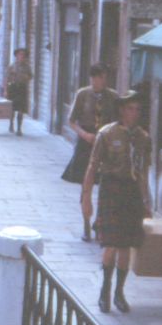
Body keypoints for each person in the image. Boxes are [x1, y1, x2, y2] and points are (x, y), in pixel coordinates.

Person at [82, 91, 152, 314]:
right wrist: (86, 198)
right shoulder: (107, 133)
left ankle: (119, 292)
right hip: (111, 189)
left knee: (126, 245)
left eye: (138, 109)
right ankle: (105, 289)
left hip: (131, 192)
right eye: (131, 108)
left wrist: (145, 200)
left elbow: (143, 171)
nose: (135, 113)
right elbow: (93, 166)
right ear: (122, 110)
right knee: (111, 242)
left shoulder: (143, 137)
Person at [62, 63, 119, 241]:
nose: (100, 81)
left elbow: (118, 121)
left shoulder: (113, 96)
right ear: (92, 78)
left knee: (105, 183)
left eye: (103, 77)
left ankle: (99, 222)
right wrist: (84, 135)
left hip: (106, 141)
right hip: (87, 141)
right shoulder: (83, 94)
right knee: (85, 185)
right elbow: (71, 121)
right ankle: (86, 222)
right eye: (97, 77)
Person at [6, 48, 33, 136]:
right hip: (13, 88)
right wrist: (6, 90)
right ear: (16, 56)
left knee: (21, 109)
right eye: (19, 54)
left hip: (22, 88)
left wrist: (25, 77)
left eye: (23, 55)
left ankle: (19, 128)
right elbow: (7, 78)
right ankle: (11, 124)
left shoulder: (27, 67)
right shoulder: (12, 66)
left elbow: (30, 77)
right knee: (12, 108)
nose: (21, 56)